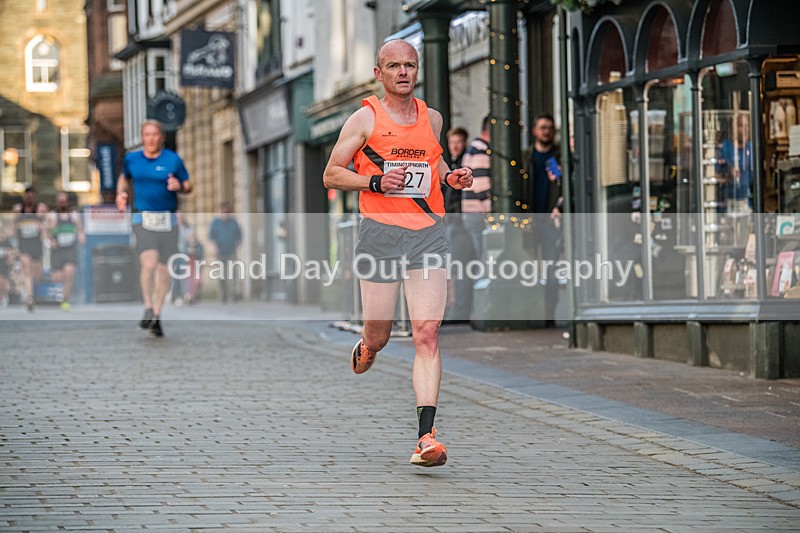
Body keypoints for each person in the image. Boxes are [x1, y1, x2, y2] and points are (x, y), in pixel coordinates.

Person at [322, 39, 473, 467]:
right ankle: (367, 346)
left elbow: (433, 163)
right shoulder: (364, 118)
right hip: (380, 235)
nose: (403, 72)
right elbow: (332, 173)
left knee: (427, 333)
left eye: (410, 65)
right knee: (381, 333)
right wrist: (374, 183)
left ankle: (426, 437)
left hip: (427, 233)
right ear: (379, 73)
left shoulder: (434, 117)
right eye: (394, 66)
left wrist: (452, 178)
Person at [116, 120, 192, 338]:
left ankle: (157, 316)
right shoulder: (132, 159)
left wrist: (180, 186)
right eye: (147, 135)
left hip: (168, 220)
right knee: (148, 263)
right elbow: (124, 178)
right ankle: (148, 307)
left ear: (161, 137)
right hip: (142, 217)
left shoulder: (173, 159)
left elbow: (188, 185)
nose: (151, 139)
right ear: (142, 137)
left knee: (164, 271)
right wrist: (121, 193)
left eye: (155, 135)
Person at [526, 113, 564, 325]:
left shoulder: (559, 157)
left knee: (551, 266)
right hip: (531, 220)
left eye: (549, 128)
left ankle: (549, 312)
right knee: (528, 266)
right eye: (542, 127)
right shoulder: (526, 158)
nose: (546, 131)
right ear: (534, 131)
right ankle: (533, 311)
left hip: (551, 220)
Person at [443, 127, 473, 322]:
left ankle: (461, 309)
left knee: (460, 265)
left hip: (460, 221)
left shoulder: (464, 166)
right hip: (449, 221)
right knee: (453, 266)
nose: (455, 146)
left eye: (459, 142)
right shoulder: (447, 164)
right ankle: (455, 307)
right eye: (452, 142)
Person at [461, 115, 492, 262]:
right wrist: (491, 210)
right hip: (478, 212)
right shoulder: (481, 149)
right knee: (485, 257)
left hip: (471, 212)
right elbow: (480, 184)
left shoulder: (474, 146)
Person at [47, 192, 85, 311]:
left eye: (64, 200)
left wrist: (81, 236)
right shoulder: (52, 216)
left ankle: (65, 299)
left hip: (70, 249)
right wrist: (50, 239)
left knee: (69, 274)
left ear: (68, 202)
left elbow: (80, 229)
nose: (62, 203)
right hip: (57, 250)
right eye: (60, 200)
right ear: (57, 202)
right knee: (58, 277)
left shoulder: (73, 215)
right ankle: (61, 295)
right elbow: (46, 231)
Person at [12, 186, 48, 311]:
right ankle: (29, 298)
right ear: (24, 196)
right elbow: (14, 227)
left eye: (32, 196)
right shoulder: (18, 210)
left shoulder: (40, 209)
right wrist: (14, 244)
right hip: (24, 245)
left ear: (35, 197)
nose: (29, 198)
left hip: (37, 245)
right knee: (27, 269)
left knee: (37, 273)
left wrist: (43, 228)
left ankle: (32, 291)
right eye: (27, 196)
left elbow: (47, 224)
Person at [208, 202, 241, 303]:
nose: (226, 214)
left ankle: (233, 295)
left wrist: (237, 244)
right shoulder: (215, 222)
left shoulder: (233, 222)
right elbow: (211, 237)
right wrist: (214, 247)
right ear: (221, 212)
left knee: (232, 274)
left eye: (228, 212)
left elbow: (239, 235)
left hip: (231, 251)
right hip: (220, 252)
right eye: (224, 212)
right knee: (221, 275)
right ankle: (224, 296)